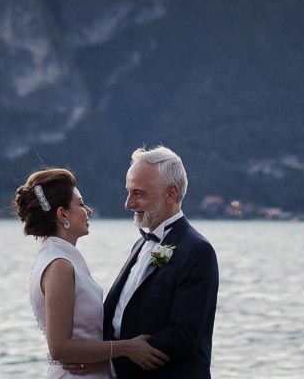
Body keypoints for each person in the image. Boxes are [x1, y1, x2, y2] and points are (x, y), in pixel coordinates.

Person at [17, 167, 169, 379]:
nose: (88, 210)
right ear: (62, 214)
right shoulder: (59, 265)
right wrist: (127, 348)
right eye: (80, 204)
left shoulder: (58, 256)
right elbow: (60, 348)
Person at [102, 146, 219, 379]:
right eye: (128, 192)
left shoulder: (197, 251)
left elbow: (182, 335)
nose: (128, 204)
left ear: (171, 194)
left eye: (138, 193)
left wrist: (113, 360)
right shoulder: (140, 244)